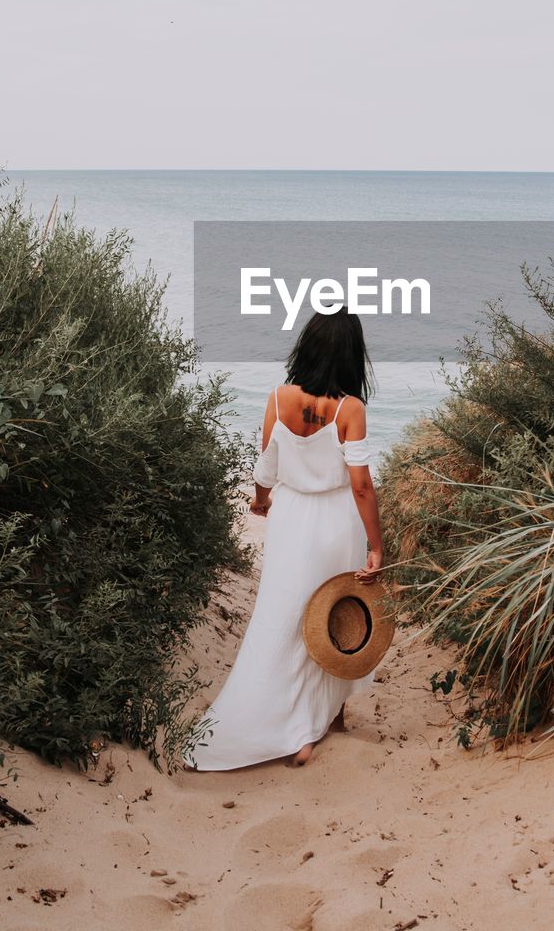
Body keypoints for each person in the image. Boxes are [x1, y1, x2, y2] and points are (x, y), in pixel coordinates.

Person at [186, 307, 383, 770]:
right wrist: (376, 545)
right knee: (330, 617)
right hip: (336, 522)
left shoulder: (278, 397)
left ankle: (302, 726)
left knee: (285, 617)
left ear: (308, 346)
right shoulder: (350, 409)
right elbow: (361, 485)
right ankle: (318, 725)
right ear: (352, 355)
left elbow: (266, 464)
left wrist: (261, 500)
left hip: (291, 517)